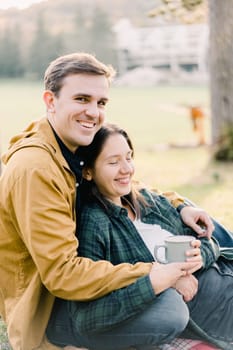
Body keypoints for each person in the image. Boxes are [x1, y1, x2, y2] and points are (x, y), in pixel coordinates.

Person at [0, 52, 216, 350]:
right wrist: (156, 273)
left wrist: (180, 204)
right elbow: (63, 275)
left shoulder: (66, 143)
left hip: (87, 279)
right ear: (50, 101)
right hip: (53, 308)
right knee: (168, 311)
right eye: (82, 99)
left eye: (101, 103)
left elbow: (117, 178)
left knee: (206, 222)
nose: (94, 112)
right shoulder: (36, 169)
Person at [48, 123, 233, 350]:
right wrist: (167, 279)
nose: (127, 169)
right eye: (114, 162)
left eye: (129, 157)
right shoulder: (95, 224)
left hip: (224, 275)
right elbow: (89, 315)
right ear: (88, 171)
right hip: (214, 309)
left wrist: (200, 257)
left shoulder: (147, 200)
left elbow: (209, 241)